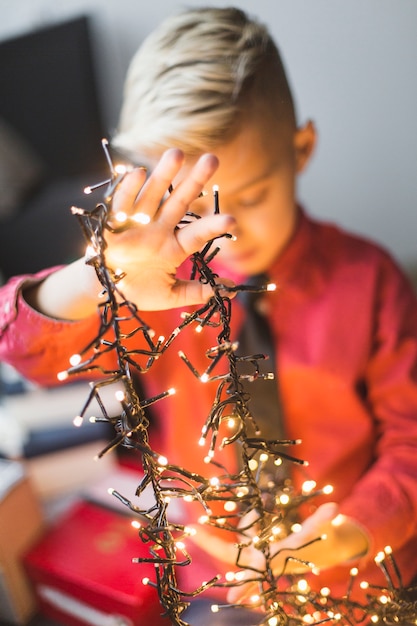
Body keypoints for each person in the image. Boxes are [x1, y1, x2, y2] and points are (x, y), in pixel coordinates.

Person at [1, 6, 417, 624]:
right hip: (218, 578)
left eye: (252, 196)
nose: (227, 229)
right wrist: (99, 278)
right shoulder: (150, 294)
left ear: (300, 150)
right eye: (194, 206)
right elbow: (28, 352)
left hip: (359, 577)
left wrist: (350, 533)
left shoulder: (372, 281)